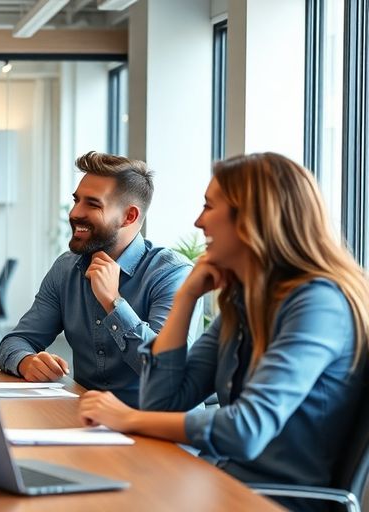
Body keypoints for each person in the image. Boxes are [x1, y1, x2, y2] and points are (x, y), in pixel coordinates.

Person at [78, 153, 369, 510]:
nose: (199, 222)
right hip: (226, 485)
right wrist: (185, 298)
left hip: (275, 502)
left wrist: (129, 418)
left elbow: (247, 430)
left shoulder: (317, 304)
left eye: (209, 207)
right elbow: (164, 404)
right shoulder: (245, 302)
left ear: (250, 219)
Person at [0, 152, 192, 407]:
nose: (75, 212)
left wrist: (114, 302)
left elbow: (166, 373)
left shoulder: (172, 274)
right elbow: (15, 341)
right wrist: (26, 361)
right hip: (90, 422)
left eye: (93, 204)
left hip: (158, 429)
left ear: (129, 216)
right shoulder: (66, 268)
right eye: (76, 200)